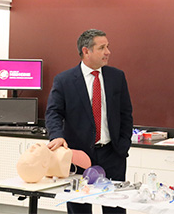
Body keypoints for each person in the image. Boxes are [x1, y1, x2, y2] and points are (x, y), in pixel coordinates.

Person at [45, 29, 133, 214]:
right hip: (78, 155)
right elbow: (53, 112)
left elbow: (126, 114)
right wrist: (57, 137)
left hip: (113, 154)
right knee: (79, 208)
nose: (108, 52)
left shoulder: (117, 77)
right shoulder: (64, 80)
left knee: (115, 209)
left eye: (107, 46)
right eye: (102, 48)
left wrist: (123, 145)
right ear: (86, 51)